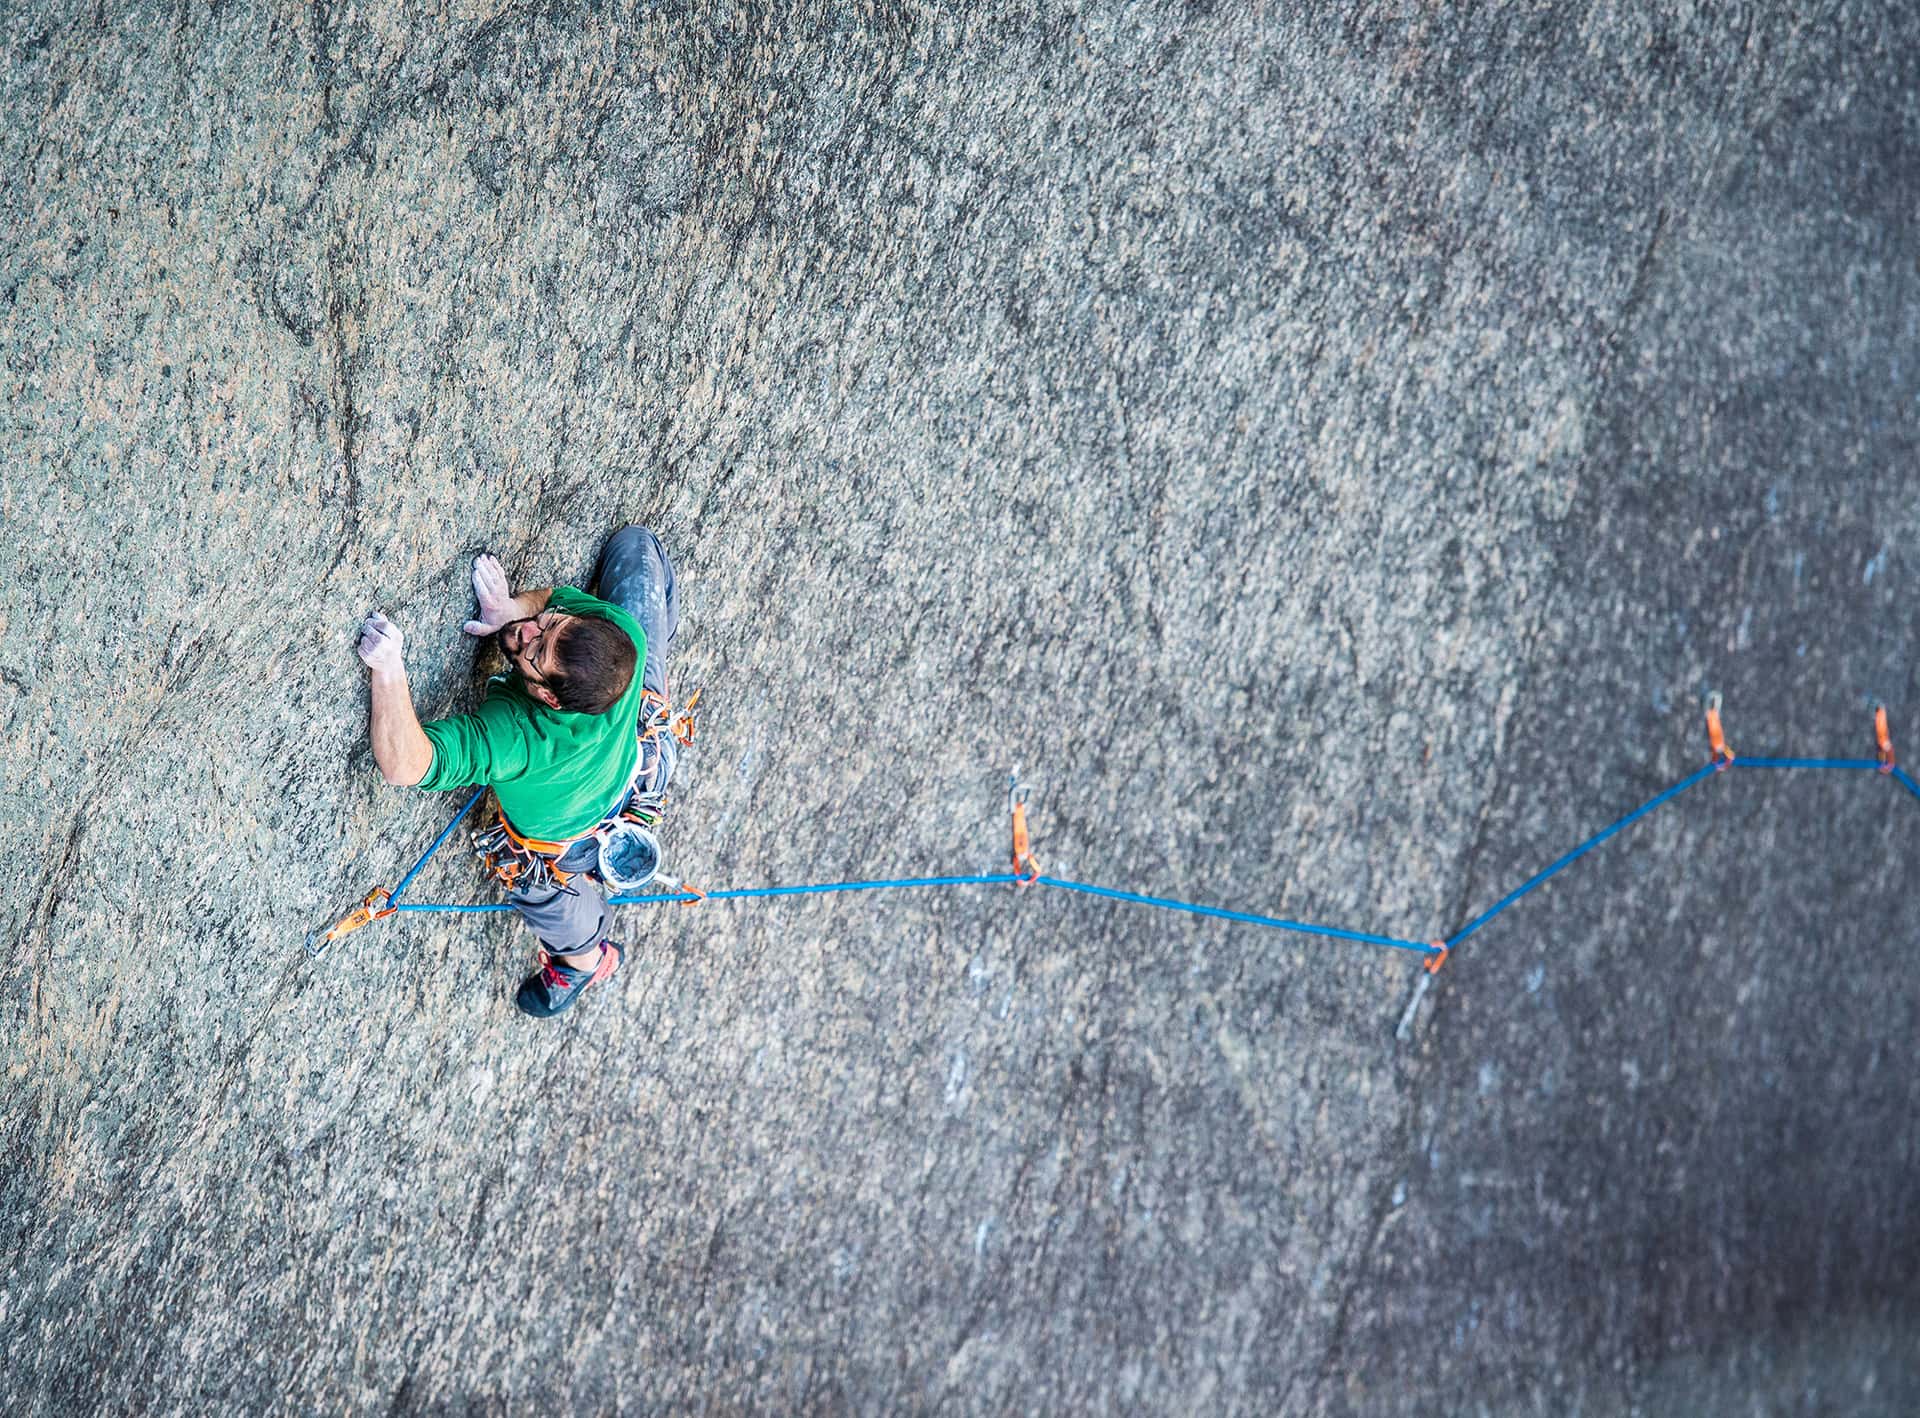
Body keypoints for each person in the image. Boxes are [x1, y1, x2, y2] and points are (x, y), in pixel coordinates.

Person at [355, 526, 682, 1018]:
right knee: (636, 547)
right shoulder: (622, 643)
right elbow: (552, 600)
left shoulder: (516, 736)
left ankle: (584, 961)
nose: (530, 632)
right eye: (547, 624)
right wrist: (511, 610)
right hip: (645, 758)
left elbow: (405, 765)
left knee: (548, 896)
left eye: (535, 651)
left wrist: (389, 669)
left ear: (550, 698)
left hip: (562, 846)